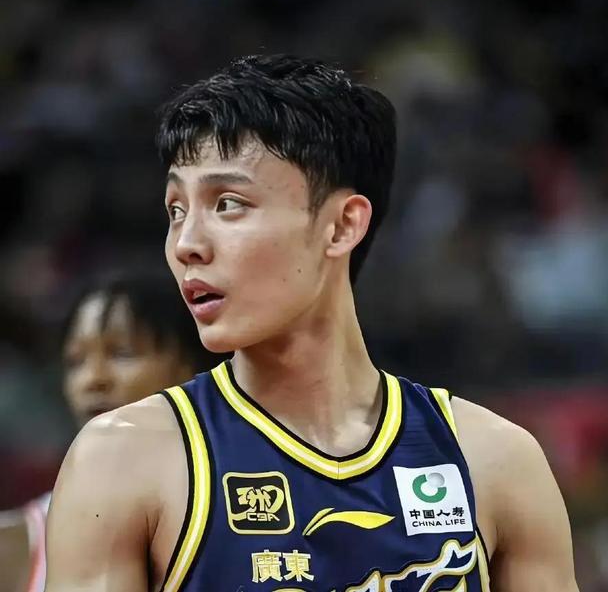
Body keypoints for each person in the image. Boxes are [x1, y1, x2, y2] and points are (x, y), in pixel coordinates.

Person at [45, 55, 580, 591]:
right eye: (176, 209)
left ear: (342, 226)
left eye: (227, 203)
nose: (186, 245)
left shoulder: (495, 461)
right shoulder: (122, 460)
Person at [0, 270, 218, 592]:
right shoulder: (13, 546)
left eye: (122, 353)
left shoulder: (258, 513)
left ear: (196, 365)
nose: (92, 379)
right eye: (75, 361)